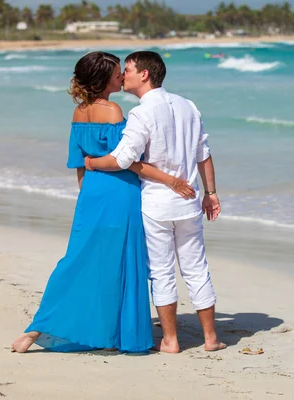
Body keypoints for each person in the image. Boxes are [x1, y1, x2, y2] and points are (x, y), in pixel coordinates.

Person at [11, 51, 195, 354]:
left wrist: (86, 197)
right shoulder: (112, 110)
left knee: (78, 261)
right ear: (104, 79)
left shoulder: (78, 113)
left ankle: (36, 330)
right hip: (119, 194)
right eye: (116, 72)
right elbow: (127, 161)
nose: (122, 76)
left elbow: (78, 163)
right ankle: (118, 335)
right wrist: (170, 180)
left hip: (91, 195)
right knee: (119, 262)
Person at [85, 51, 226, 353]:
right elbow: (204, 154)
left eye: (129, 69)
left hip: (157, 204)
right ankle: (211, 338)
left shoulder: (141, 112)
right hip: (189, 203)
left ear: (145, 74)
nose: (124, 75)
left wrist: (93, 163)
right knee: (196, 268)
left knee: (162, 272)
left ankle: (171, 340)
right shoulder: (188, 105)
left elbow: (123, 158)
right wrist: (210, 193)